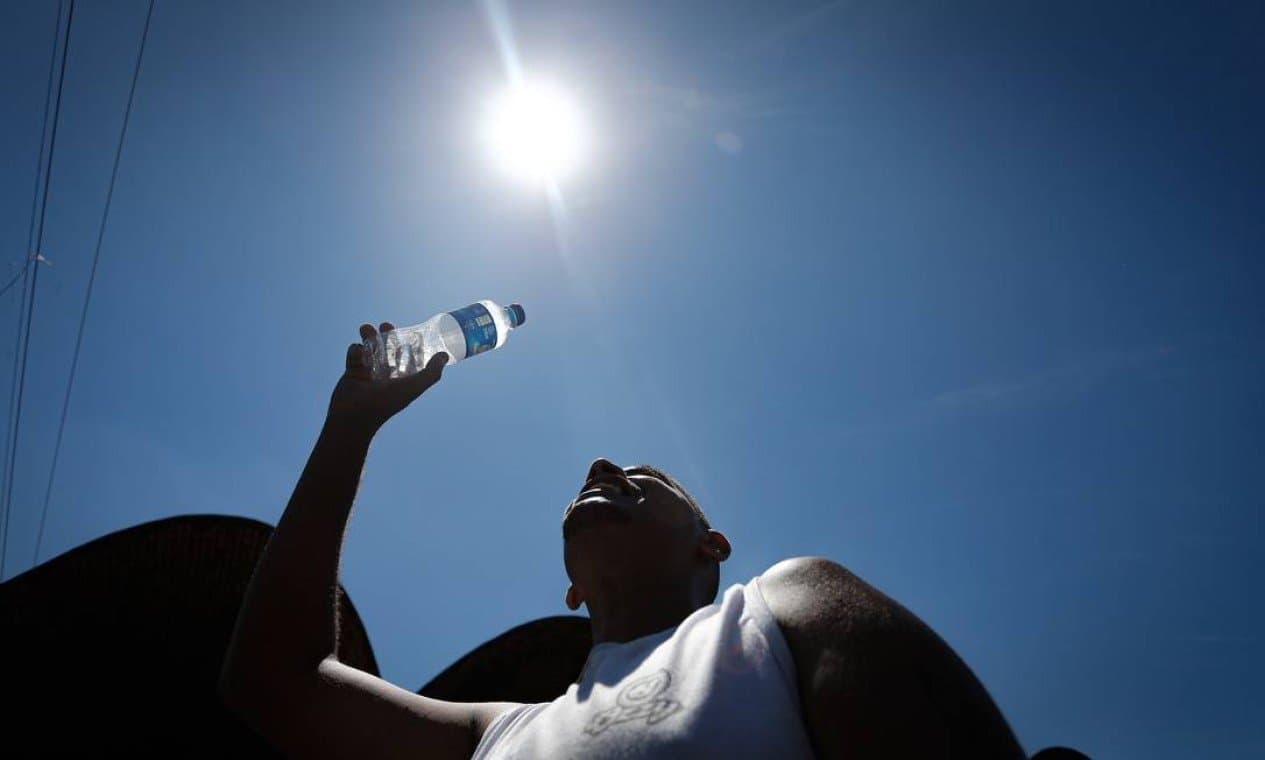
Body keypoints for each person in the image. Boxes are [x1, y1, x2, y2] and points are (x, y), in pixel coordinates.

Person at [220, 322, 1028, 759]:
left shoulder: (782, 608)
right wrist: (348, 429)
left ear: (710, 546)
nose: (601, 464)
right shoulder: (496, 734)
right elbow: (276, 685)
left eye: (647, 474)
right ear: (570, 590)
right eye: (603, 468)